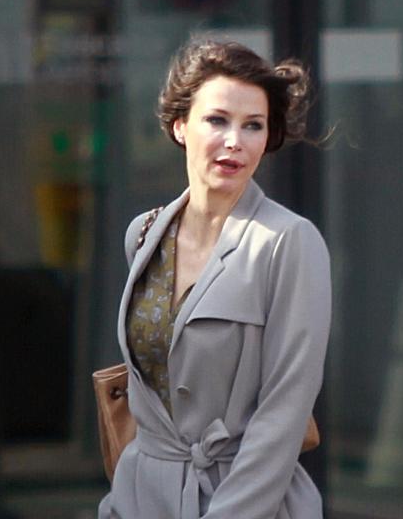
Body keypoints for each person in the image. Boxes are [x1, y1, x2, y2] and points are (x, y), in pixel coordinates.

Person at [98, 39, 331, 519]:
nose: (235, 141)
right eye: (217, 120)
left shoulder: (288, 241)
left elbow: (284, 413)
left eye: (253, 126)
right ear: (180, 125)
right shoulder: (144, 234)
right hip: (139, 500)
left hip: (247, 502)